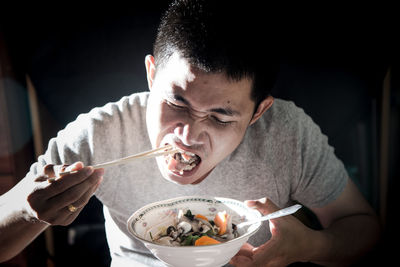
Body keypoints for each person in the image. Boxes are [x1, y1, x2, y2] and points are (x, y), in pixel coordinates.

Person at [0, 1, 380, 266]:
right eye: (177, 103)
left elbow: (363, 231)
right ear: (152, 75)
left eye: (219, 117)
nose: (187, 134)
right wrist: (29, 211)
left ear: (257, 112)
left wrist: (312, 246)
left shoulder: (287, 133)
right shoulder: (101, 133)